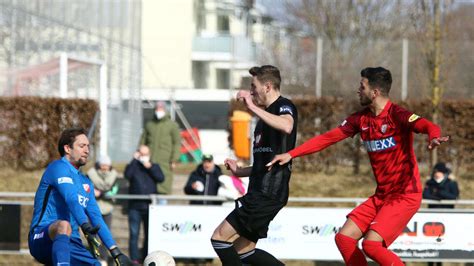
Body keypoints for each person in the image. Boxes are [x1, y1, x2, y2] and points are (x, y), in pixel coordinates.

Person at [268, 67, 450, 266]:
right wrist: (291, 154)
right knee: (344, 238)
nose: (358, 90)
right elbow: (328, 138)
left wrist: (433, 136)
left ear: (375, 92)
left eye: (361, 86)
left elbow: (428, 126)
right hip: (382, 195)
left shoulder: (397, 115)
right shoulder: (360, 119)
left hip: (404, 195)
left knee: (371, 246)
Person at [211, 65, 298, 266]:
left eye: (253, 86)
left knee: (219, 238)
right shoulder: (263, 119)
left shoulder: (284, 106)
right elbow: (263, 162)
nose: (251, 92)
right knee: (244, 251)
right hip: (260, 191)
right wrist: (240, 171)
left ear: (267, 87)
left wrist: (251, 106)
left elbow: (287, 125)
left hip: (267, 193)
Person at [28, 128, 131, 266]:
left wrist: (115, 251)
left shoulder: (86, 183)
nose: (87, 150)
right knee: (63, 225)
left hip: (72, 243)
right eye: (82, 146)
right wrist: (84, 224)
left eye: (88, 146)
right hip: (42, 237)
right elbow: (71, 198)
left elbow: (96, 217)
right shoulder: (57, 168)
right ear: (67, 149)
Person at [124, 145, 164, 264]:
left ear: (149, 154)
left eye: (145, 154)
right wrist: (134, 160)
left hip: (149, 207)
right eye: (141, 154)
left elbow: (161, 178)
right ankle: (134, 259)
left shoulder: (154, 166)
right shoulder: (133, 165)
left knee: (149, 234)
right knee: (134, 233)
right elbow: (127, 175)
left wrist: (150, 167)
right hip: (134, 206)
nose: (143, 156)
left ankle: (147, 257)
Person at [139, 101, 181, 196]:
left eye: (161, 109)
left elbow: (177, 143)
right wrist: (140, 153)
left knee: (163, 185)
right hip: (149, 160)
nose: (159, 111)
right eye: (157, 109)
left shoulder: (172, 125)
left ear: (165, 110)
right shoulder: (149, 125)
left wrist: (174, 159)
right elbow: (143, 141)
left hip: (165, 161)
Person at [87, 154, 119, 264]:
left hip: (107, 210)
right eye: (103, 165)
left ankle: (104, 259)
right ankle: (94, 258)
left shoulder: (114, 176)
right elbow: (88, 189)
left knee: (106, 235)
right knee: (93, 236)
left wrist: (100, 193)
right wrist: (97, 193)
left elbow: (113, 191)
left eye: (107, 165)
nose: (104, 167)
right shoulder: (90, 174)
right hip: (94, 210)